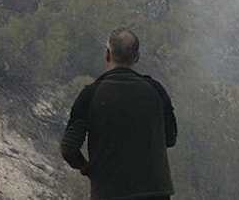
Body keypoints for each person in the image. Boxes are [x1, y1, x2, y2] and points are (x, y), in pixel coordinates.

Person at [60, 28, 177, 200]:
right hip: (155, 192)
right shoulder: (156, 90)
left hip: (110, 192)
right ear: (136, 57)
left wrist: (86, 168)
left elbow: (69, 149)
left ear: (107, 54)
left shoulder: (91, 94)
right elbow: (170, 138)